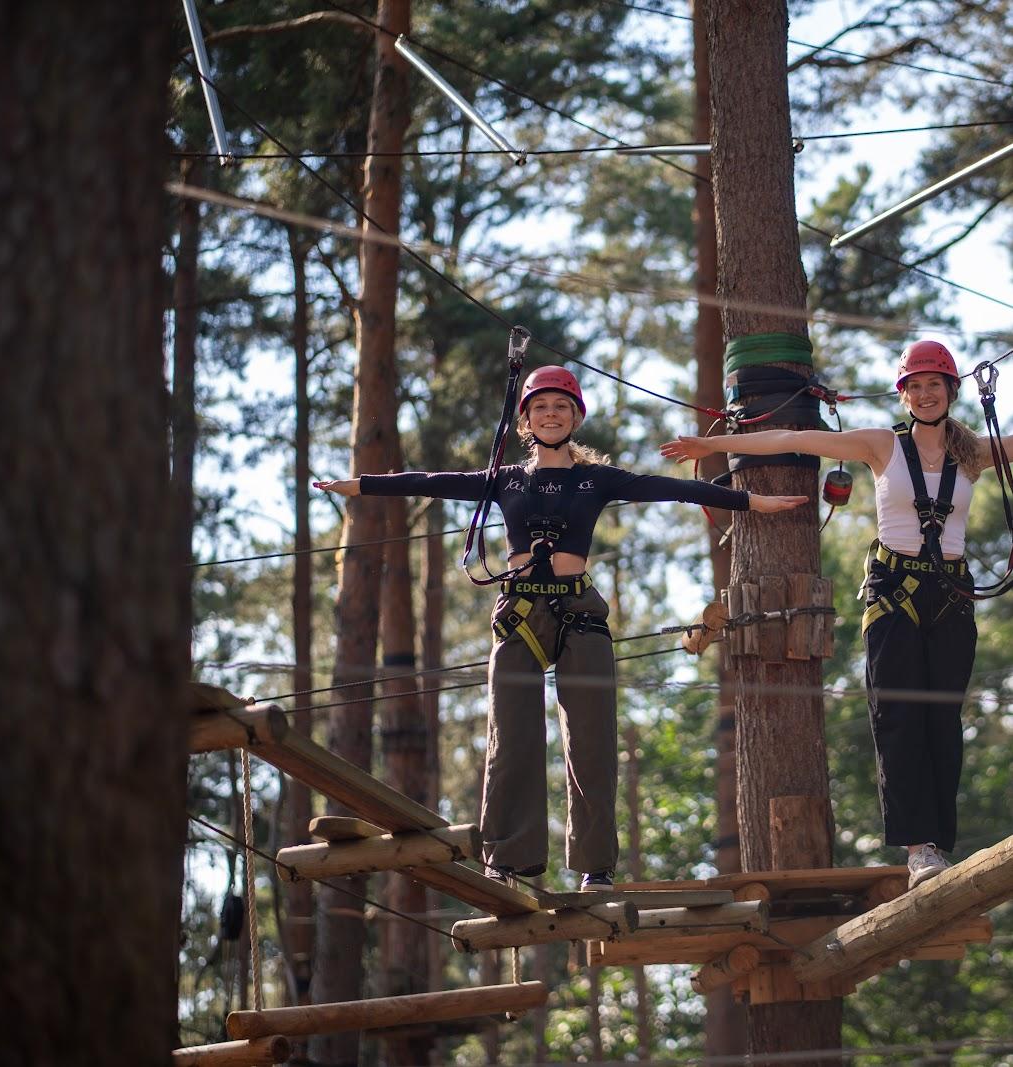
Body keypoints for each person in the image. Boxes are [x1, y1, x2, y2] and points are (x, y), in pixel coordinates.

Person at [316, 365, 806, 892]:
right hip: (520, 614)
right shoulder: (505, 479)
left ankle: (596, 867)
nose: (551, 414)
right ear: (526, 420)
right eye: (541, 407)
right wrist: (360, 486)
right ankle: (507, 859)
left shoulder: (597, 479)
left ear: (576, 417)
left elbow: (673, 489)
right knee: (511, 738)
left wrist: (753, 502)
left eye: (561, 407)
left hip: (579, 613)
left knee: (592, 741)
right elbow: (431, 481)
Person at [661, 339, 1006, 888]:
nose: (924, 394)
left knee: (943, 721)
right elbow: (794, 438)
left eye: (934, 385)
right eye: (915, 386)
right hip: (894, 594)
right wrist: (713, 443)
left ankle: (940, 843)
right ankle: (919, 849)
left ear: (951, 390)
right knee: (898, 717)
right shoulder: (881, 445)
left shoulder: (974, 453)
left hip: (951, 597)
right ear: (904, 394)